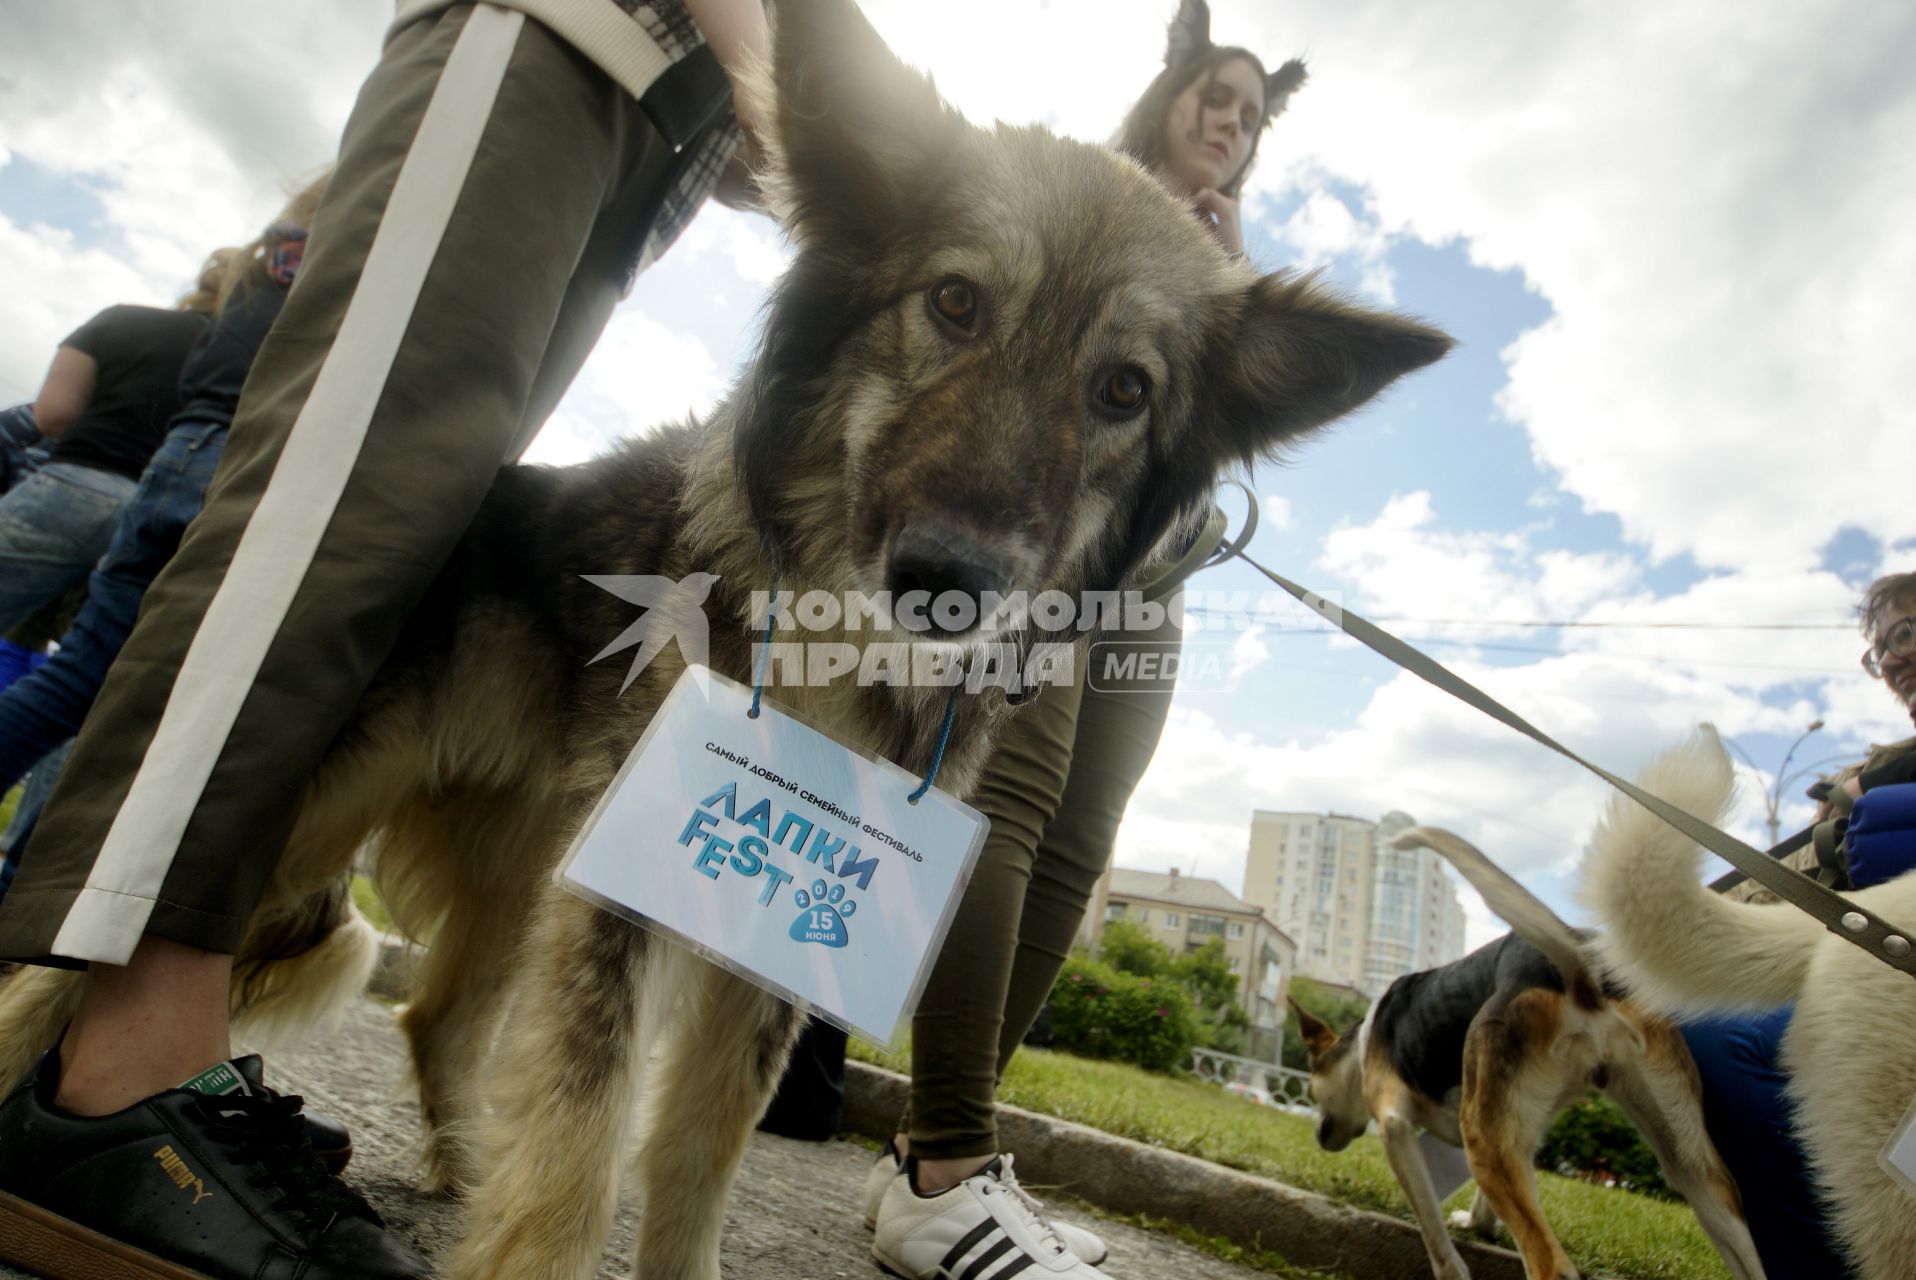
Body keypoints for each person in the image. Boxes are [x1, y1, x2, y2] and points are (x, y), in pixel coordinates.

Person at [0, 3, 769, 1278]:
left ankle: (103, 1044)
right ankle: (105, 1068)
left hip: (652, 123)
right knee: (342, 497)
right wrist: (776, 75)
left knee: (394, 511)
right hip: (562, 32)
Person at [864, 5, 1306, 1276]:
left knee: (1085, 834)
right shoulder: (1077, 193)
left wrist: (1234, 277)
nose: (1228, 122)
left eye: (1250, 115)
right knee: (1011, 790)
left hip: (1158, 573)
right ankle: (948, 1153)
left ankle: (939, 1154)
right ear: (1168, 93)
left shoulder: (1227, 254)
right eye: (1214, 96)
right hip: (1045, 539)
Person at [0, 179, 325, 896]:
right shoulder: (355, 257)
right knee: (129, 708)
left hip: (165, 466)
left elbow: (54, 413)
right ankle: (22, 901)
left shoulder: (260, 266)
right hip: (243, 468)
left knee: (74, 677)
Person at [1679, 570, 1916, 1279]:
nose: (1894, 659)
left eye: (1905, 632)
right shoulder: (1878, 777)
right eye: (1881, 651)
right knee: (1716, 1035)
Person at [0, 290, 210, 632]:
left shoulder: (124, 321)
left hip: (77, 488)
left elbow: (53, 415)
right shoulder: (242, 360)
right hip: (164, 521)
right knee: (69, 662)